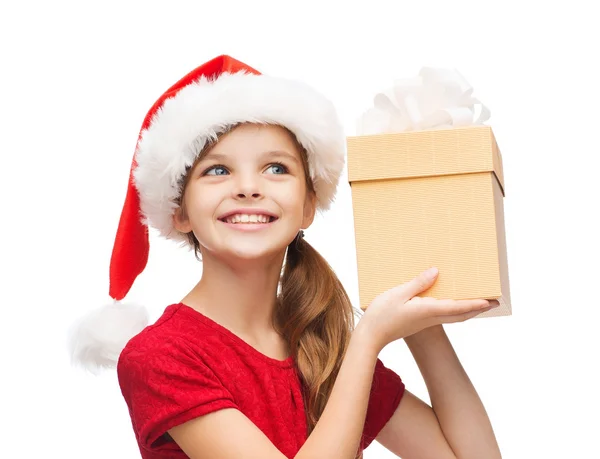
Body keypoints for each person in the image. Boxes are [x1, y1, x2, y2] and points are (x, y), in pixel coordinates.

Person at [68, 55, 502, 459]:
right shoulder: (160, 356)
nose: (248, 187)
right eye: (217, 170)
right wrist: (370, 338)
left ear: (309, 205)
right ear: (179, 211)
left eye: (276, 168)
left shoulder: (322, 347)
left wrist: (419, 324)